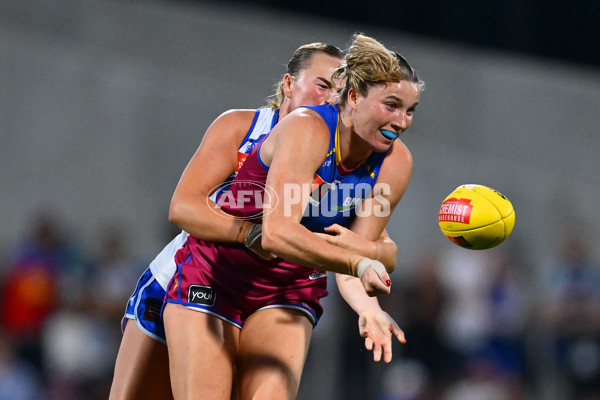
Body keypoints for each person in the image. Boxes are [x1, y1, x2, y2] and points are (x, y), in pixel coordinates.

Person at [110, 42, 401, 400]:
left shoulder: (348, 152)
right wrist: (251, 234)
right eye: (322, 85)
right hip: (195, 273)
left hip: (281, 289)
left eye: (339, 90)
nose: (331, 97)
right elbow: (183, 208)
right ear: (288, 84)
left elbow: (358, 244)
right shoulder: (242, 126)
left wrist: (370, 292)